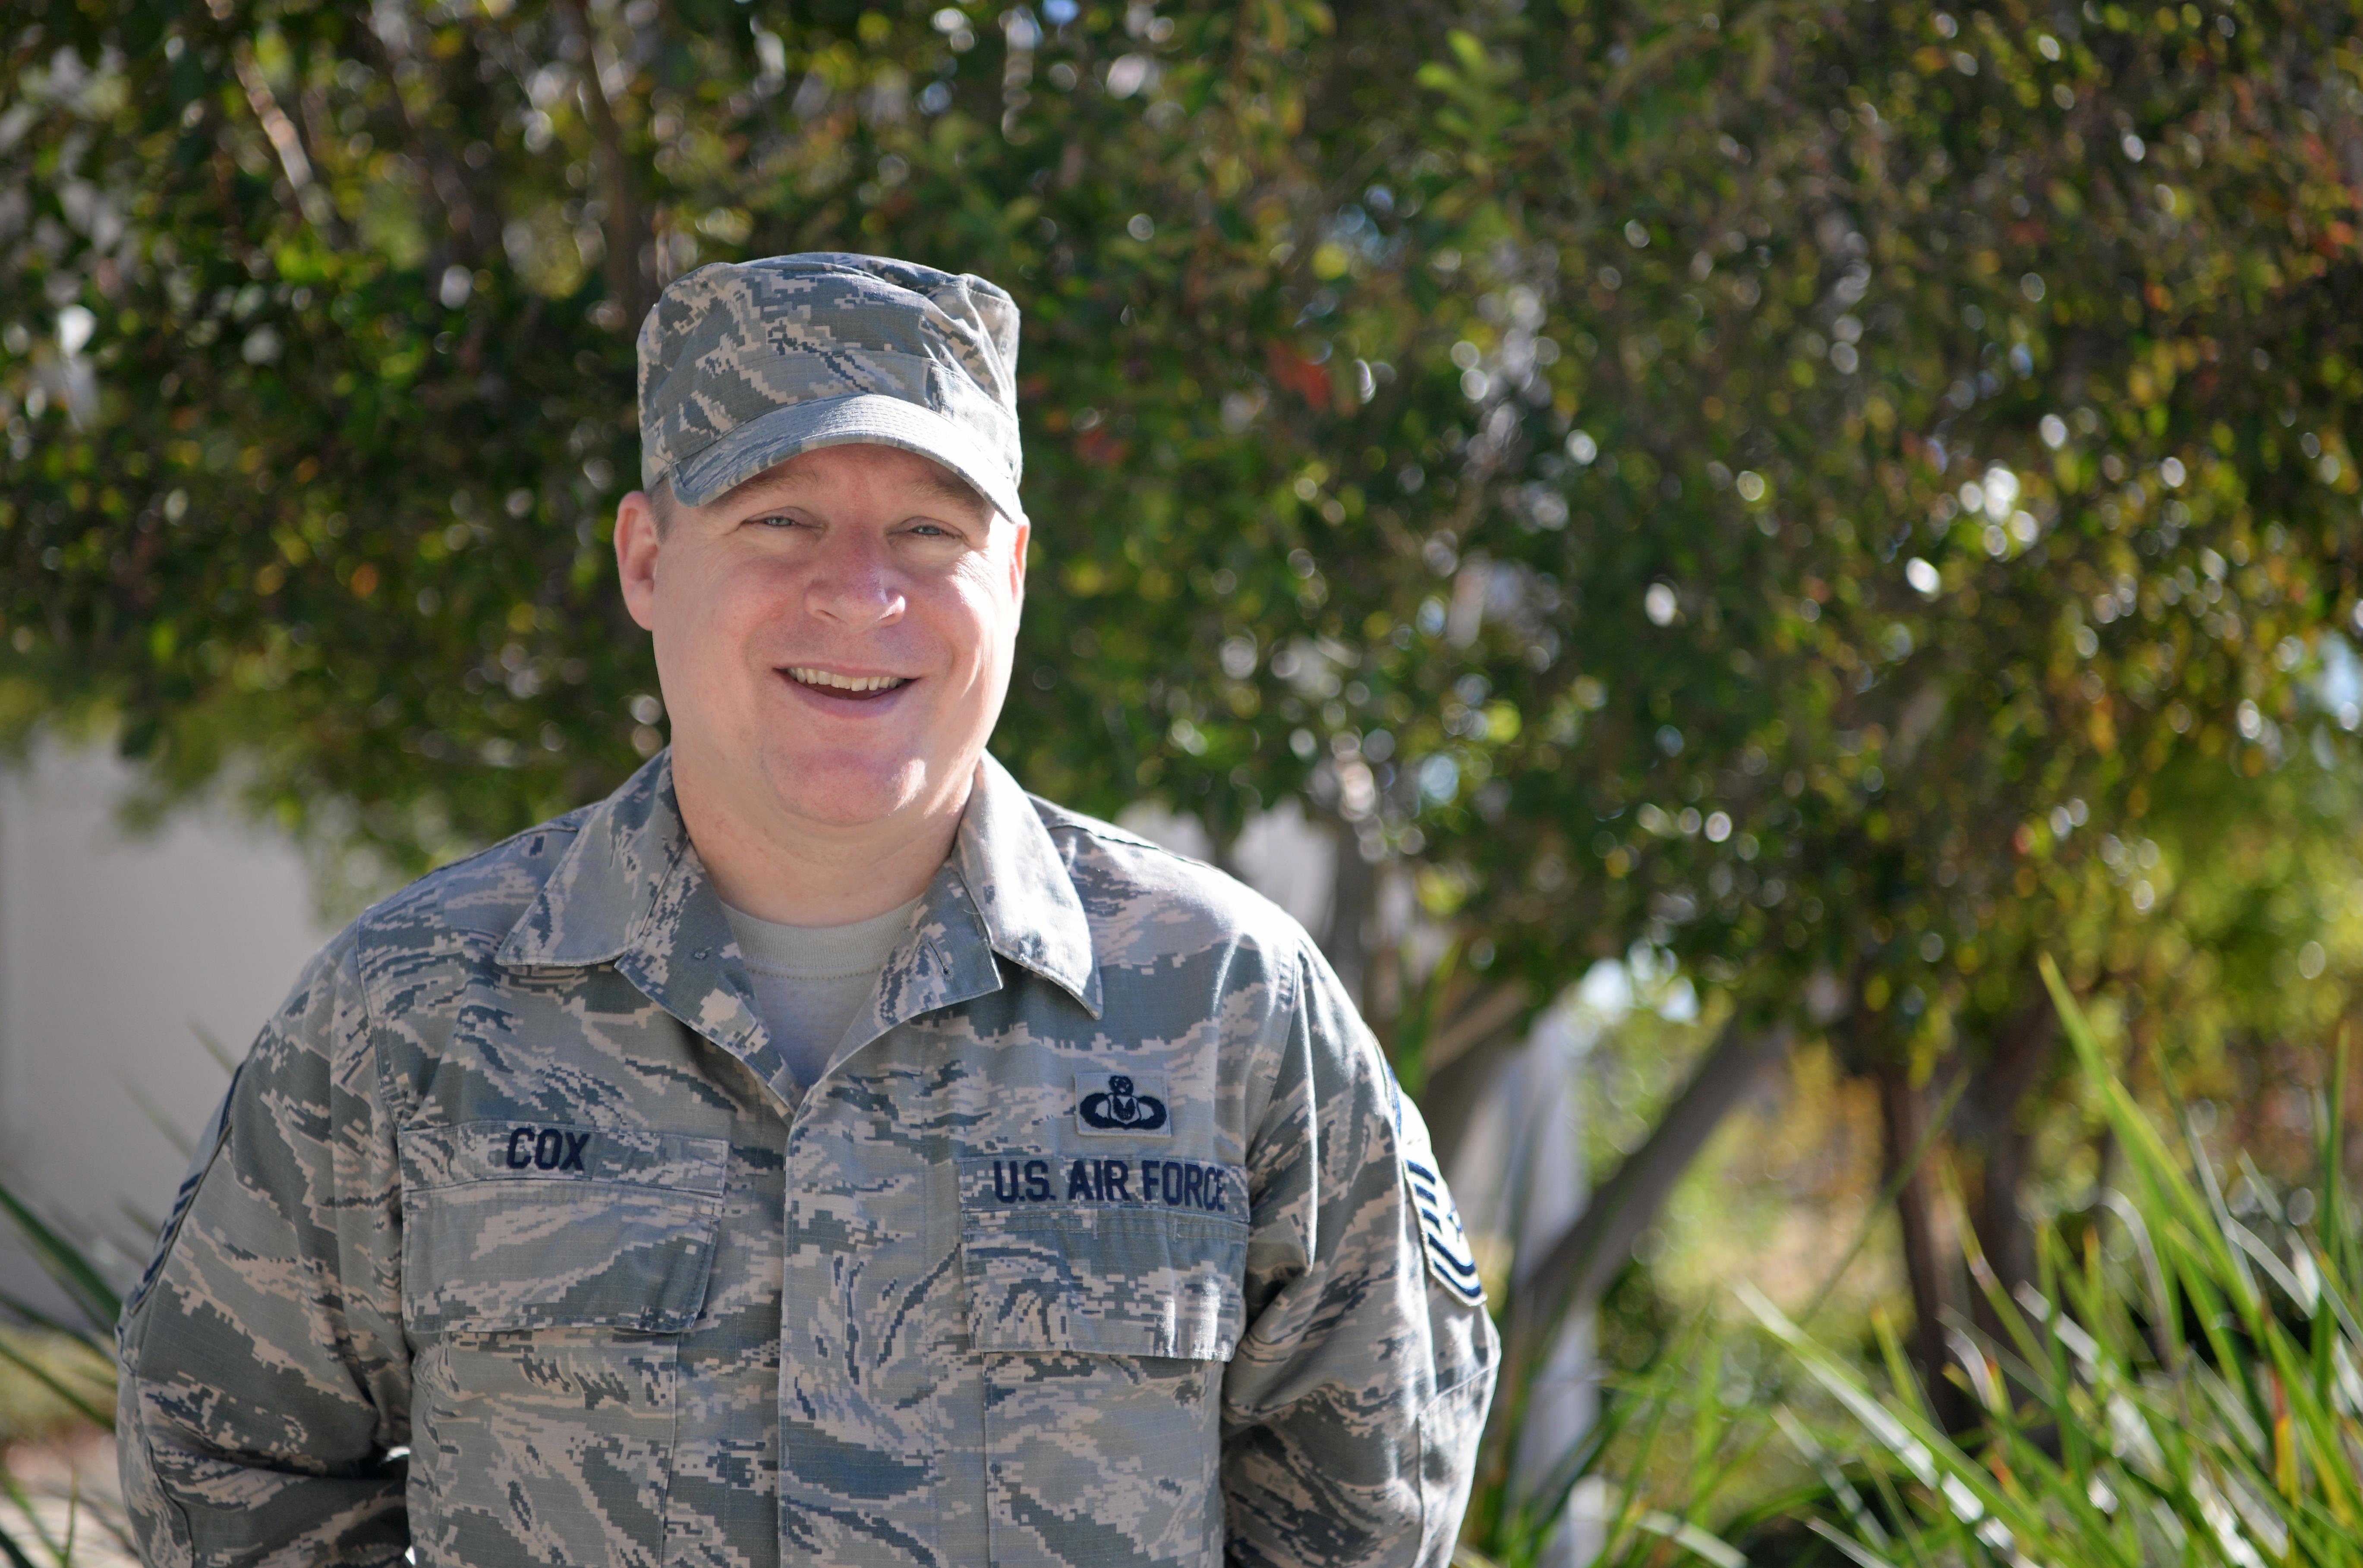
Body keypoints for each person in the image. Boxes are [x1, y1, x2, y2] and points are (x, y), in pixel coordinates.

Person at [115, 253, 1497, 1568]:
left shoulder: (1223, 1004)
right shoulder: (413, 1009)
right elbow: (226, 1455)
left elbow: (1368, 1495)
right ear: (648, 558)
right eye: (778, 517)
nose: (860, 590)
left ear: (1009, 576)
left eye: (927, 529)